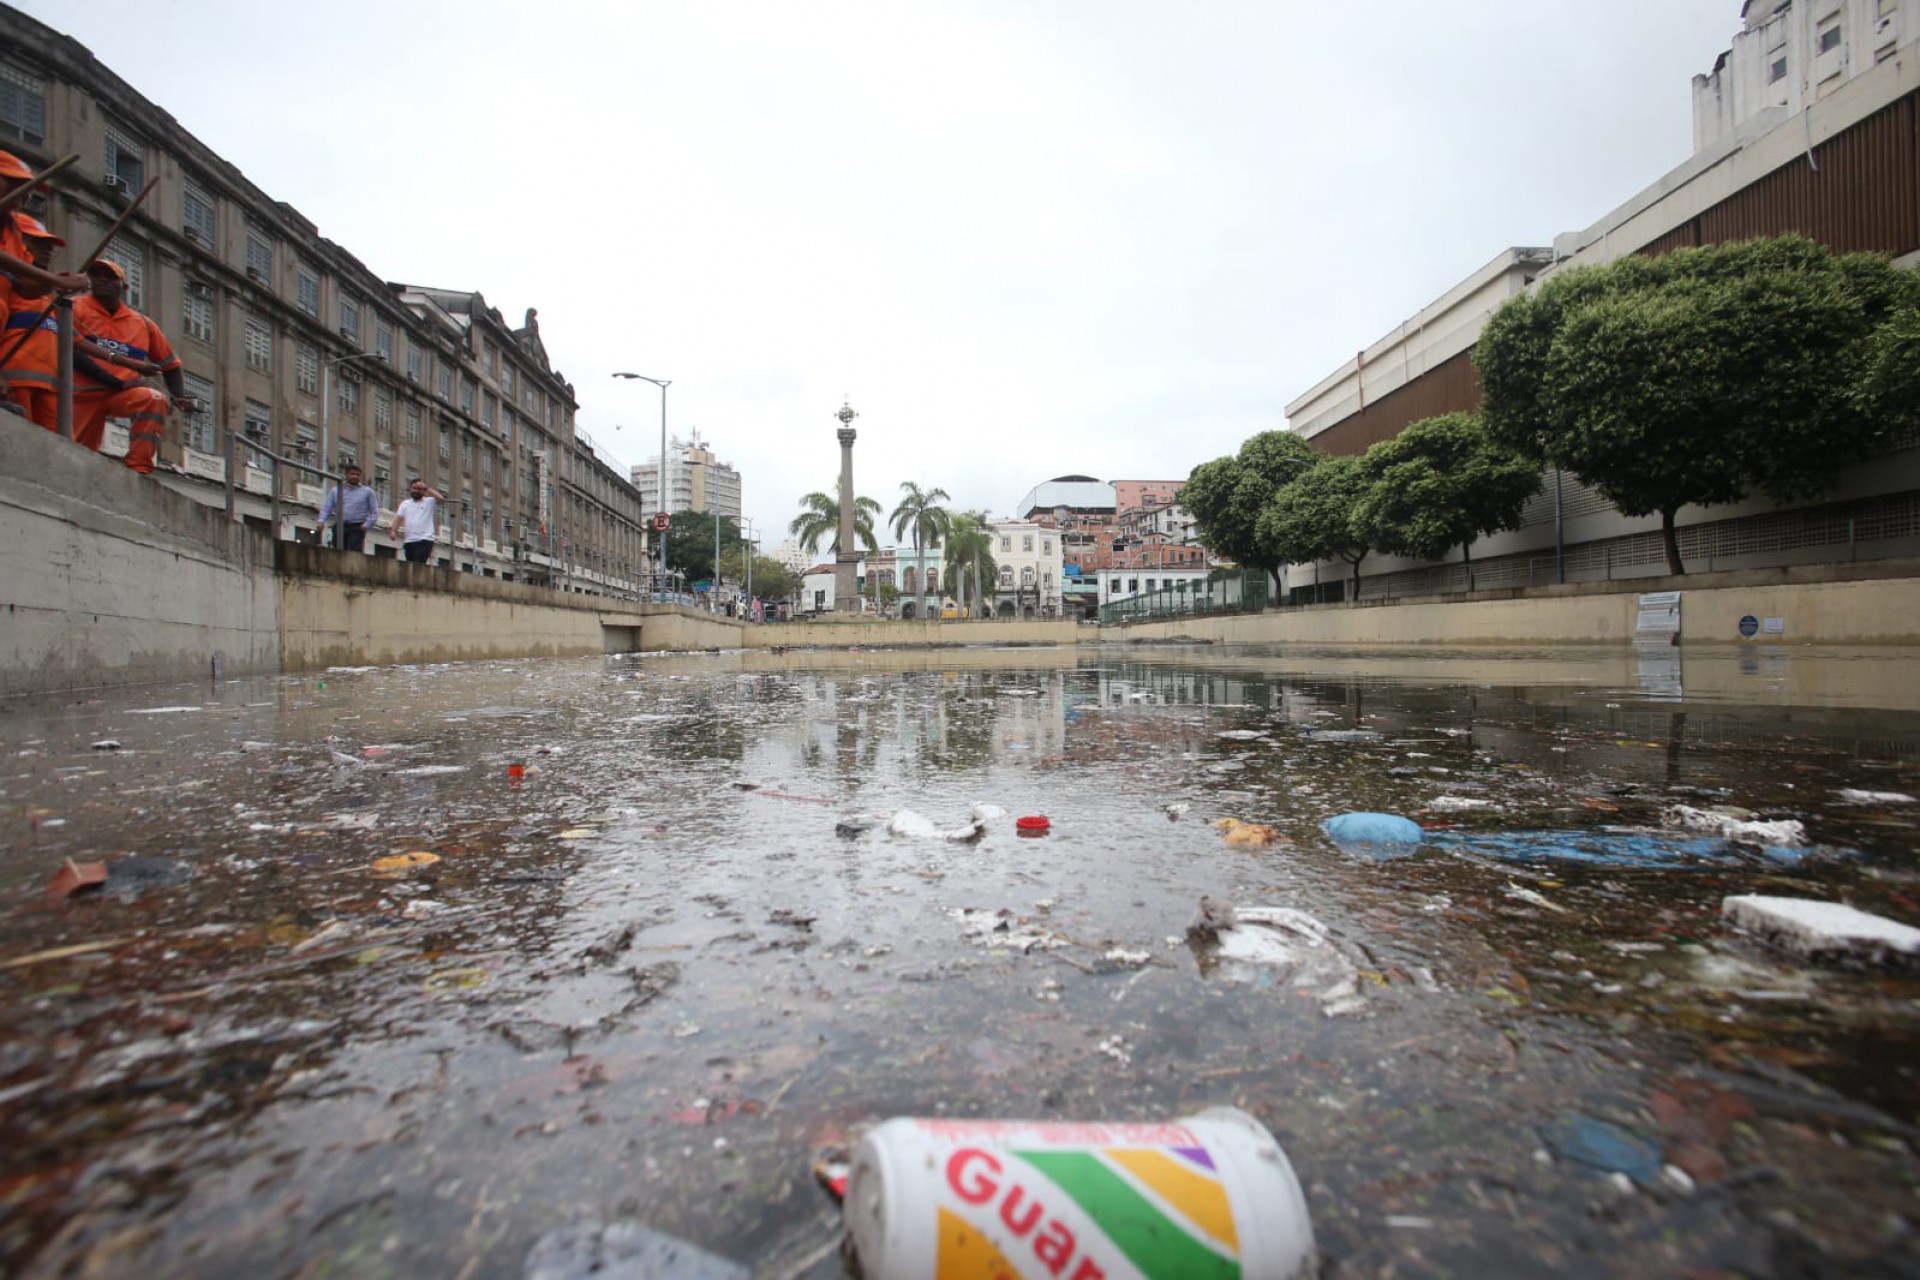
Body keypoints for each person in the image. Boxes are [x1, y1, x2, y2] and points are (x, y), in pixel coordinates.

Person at [72, 258, 194, 472]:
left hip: (120, 394)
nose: (102, 280)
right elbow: (72, 353)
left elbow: (170, 364)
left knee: (153, 398)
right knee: (75, 453)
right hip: (81, 394)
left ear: (125, 287)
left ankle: (139, 466)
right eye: (96, 275)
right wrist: (117, 382)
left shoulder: (142, 324)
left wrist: (178, 395)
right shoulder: (73, 308)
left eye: (110, 277)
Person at [3, 216, 121, 432]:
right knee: (21, 443)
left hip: (49, 386)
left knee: (54, 448)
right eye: (39, 244)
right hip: (15, 379)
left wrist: (125, 363)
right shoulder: (9, 286)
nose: (47, 251)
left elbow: (75, 342)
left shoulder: (47, 298)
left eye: (50, 248)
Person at [317, 463, 381, 552]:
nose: (355, 476)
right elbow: (327, 507)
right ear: (346, 475)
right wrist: (321, 521)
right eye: (352, 474)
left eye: (357, 475)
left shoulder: (368, 492)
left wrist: (365, 525)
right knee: (337, 551)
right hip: (340, 525)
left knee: (352, 552)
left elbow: (375, 512)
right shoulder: (336, 490)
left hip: (357, 527)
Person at [390, 478, 444, 564]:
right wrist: (393, 530)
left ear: (423, 491)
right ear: (410, 489)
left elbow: (441, 499)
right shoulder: (405, 504)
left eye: (419, 489)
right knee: (409, 565)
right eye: (414, 488)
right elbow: (399, 517)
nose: (416, 491)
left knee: (417, 564)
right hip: (409, 540)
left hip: (424, 539)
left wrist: (426, 488)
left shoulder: (429, 501)